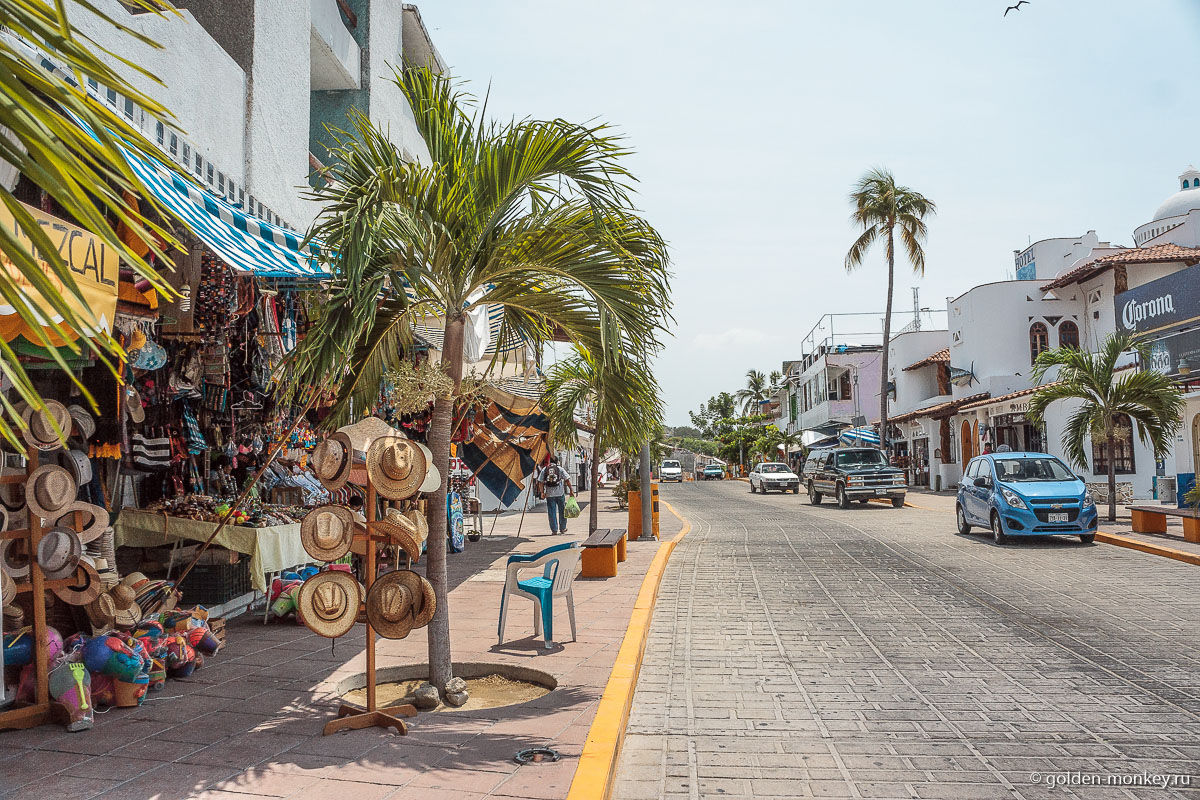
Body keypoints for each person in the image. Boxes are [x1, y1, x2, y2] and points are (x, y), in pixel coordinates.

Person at [536, 455, 574, 534]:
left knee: (551, 512)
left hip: (549, 495)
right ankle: (563, 528)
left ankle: (554, 530)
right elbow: (567, 480)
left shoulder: (545, 469)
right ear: (557, 462)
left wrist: (542, 492)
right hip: (560, 494)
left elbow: (540, 482)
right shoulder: (560, 469)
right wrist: (571, 490)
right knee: (562, 511)